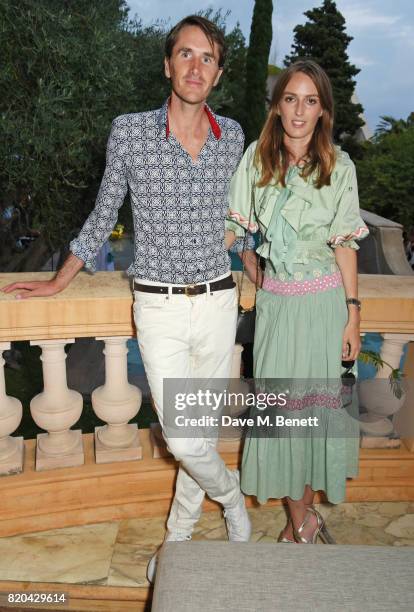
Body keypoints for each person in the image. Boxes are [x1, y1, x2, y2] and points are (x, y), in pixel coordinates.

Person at [2, 15, 251, 578]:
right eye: (185, 54)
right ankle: (234, 499)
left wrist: (256, 256)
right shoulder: (132, 131)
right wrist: (58, 278)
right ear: (167, 65)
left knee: (200, 434)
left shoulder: (231, 136)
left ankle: (178, 542)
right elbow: (104, 211)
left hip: (218, 302)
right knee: (185, 440)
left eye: (207, 58)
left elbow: (239, 217)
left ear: (217, 74)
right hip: (159, 306)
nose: (195, 67)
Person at [225, 60, 369, 544]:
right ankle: (302, 521)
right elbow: (235, 228)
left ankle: (300, 523)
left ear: (324, 110)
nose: (300, 110)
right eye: (291, 99)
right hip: (278, 309)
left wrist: (352, 315)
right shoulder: (255, 160)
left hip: (325, 307)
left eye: (311, 100)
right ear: (277, 107)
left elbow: (345, 245)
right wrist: (246, 254)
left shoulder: (340, 166)